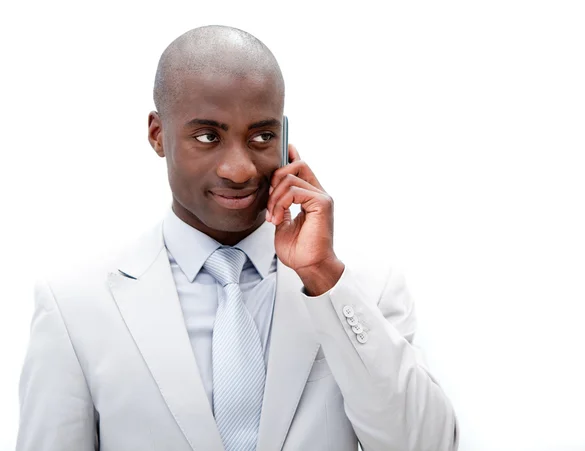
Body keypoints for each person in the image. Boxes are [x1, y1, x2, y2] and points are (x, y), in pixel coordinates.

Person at [17, 25, 459, 451]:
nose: (240, 169)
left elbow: (427, 445)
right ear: (158, 135)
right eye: (208, 136)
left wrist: (322, 276)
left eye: (262, 136)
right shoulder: (74, 303)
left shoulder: (361, 284)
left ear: (284, 138)